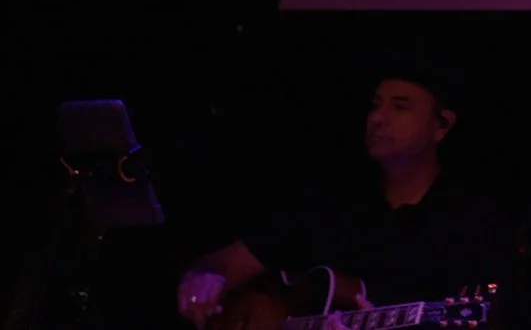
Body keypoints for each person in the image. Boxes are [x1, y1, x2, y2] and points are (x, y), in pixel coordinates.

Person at [176, 67, 509, 326]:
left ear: (443, 125)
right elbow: (223, 263)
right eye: (375, 105)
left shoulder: (471, 221)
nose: (378, 118)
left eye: (400, 107)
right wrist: (202, 280)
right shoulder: (333, 201)